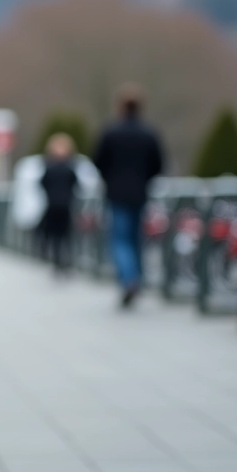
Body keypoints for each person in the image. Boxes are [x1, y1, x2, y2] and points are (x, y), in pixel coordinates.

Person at [93, 84, 164, 307]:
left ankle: (128, 279)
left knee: (120, 240)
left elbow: (98, 162)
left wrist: (110, 178)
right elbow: (158, 164)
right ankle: (136, 279)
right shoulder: (148, 133)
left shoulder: (110, 132)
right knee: (136, 240)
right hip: (140, 193)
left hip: (116, 193)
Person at [38, 133, 78, 272]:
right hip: (66, 205)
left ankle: (56, 262)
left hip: (52, 205)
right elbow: (76, 184)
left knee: (54, 235)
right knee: (65, 234)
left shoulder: (49, 168)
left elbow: (42, 183)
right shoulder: (69, 168)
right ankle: (66, 262)